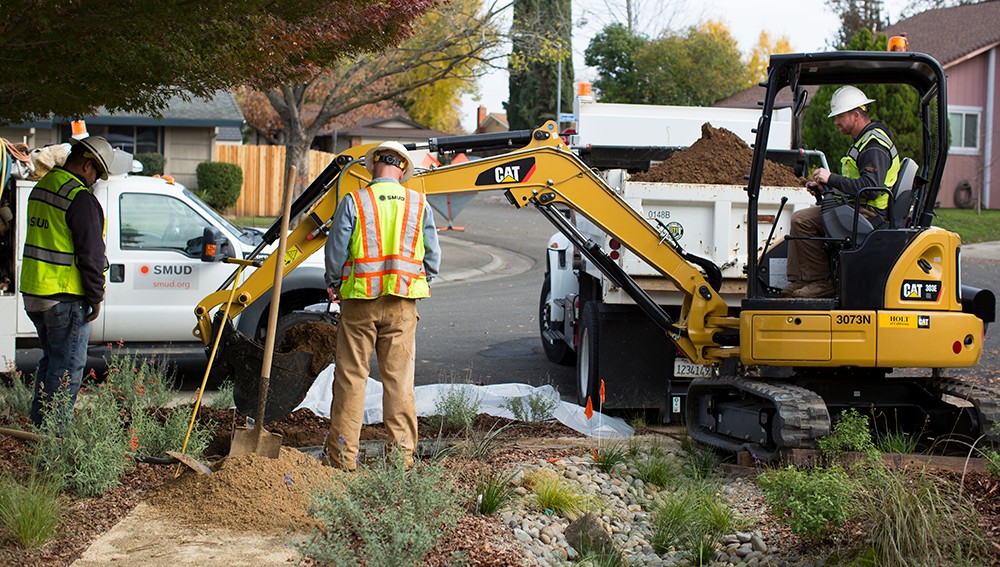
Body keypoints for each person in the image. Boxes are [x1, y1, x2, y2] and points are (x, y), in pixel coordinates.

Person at [323, 141, 440, 469]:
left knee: (351, 378)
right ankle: (400, 464)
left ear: (373, 166)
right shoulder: (418, 203)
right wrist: (419, 278)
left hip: (360, 301)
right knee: (399, 381)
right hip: (402, 303)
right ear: (402, 169)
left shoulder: (355, 201)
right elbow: (433, 257)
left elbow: (336, 250)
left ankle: (342, 462)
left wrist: (334, 282)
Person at [20, 136, 112, 428]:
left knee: (51, 363)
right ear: (87, 165)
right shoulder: (79, 197)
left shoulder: (42, 186)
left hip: (36, 291)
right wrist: (96, 297)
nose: (95, 180)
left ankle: (40, 428)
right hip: (64, 296)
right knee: (68, 368)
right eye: (97, 173)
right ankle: (54, 438)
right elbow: (91, 254)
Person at [782, 86, 900, 298]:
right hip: (860, 208)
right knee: (802, 219)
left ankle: (819, 282)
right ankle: (801, 279)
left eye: (839, 116)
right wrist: (827, 187)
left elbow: (870, 188)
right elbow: (857, 184)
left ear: (855, 115)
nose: (835, 121)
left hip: (870, 215)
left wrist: (831, 178)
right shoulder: (865, 141)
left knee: (802, 221)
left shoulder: (873, 145)